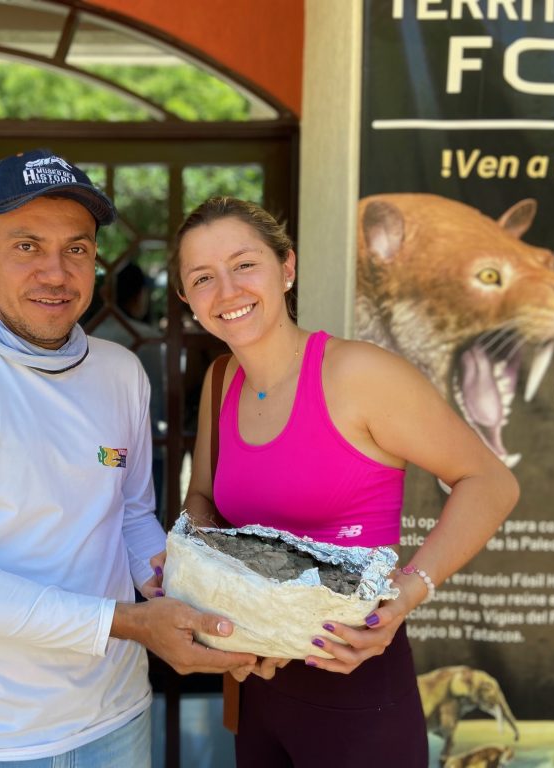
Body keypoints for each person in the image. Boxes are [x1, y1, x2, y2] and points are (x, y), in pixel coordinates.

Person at [0, 151, 256, 767]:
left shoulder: (119, 372)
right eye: (26, 246)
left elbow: (129, 515)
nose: (56, 272)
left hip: (115, 720)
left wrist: (176, 586)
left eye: (76, 249)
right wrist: (128, 624)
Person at [170, 197, 520, 767]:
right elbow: (204, 500)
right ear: (187, 298)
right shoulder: (221, 379)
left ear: (287, 268)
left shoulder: (359, 375)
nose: (228, 291)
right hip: (254, 685)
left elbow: (490, 481)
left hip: (358, 694)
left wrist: (406, 593)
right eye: (203, 277)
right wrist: (197, 566)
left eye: (244, 265)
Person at [90, 262, 167, 515]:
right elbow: (158, 404)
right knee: (142, 519)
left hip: (95, 455)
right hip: (145, 451)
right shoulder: (147, 338)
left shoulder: (87, 334)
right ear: (139, 294)